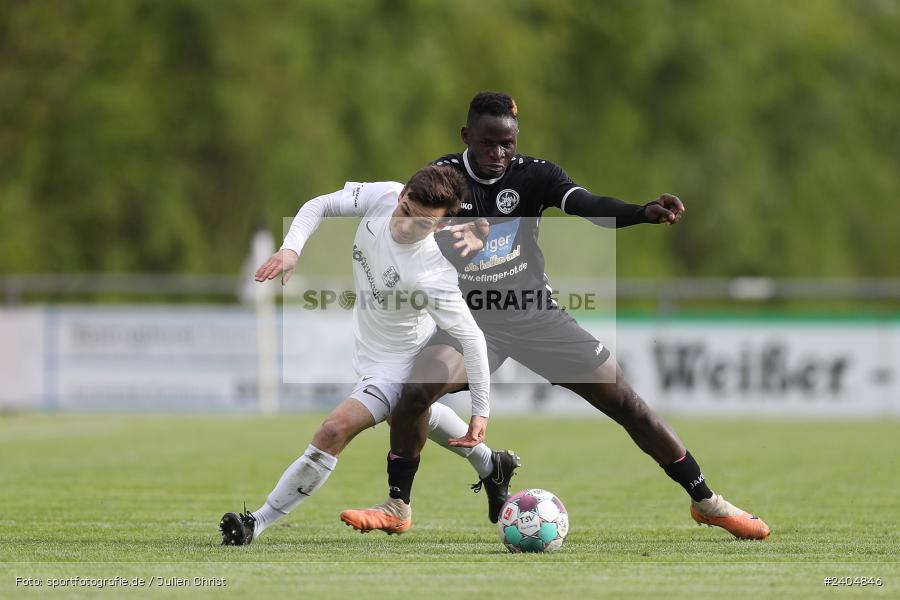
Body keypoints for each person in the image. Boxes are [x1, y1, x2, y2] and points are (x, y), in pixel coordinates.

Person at [340, 92, 770, 540]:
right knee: (415, 392)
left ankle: (707, 501)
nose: (498, 153)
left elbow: (587, 204)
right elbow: (413, 237)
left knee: (628, 404)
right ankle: (398, 505)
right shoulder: (445, 179)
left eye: (507, 144)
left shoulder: (534, 175)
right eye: (488, 143)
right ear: (467, 136)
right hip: (469, 323)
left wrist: (641, 212)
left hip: (536, 318)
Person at [220, 165, 520, 545]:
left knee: (334, 430)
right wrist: (292, 247)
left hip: (399, 365)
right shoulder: (383, 195)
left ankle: (256, 523)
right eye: (405, 210)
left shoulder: (432, 272)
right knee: (416, 415)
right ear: (403, 193)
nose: (405, 226)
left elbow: (472, 338)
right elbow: (320, 204)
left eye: (422, 224)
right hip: (369, 353)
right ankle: (492, 465)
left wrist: (481, 413)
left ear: (441, 226)